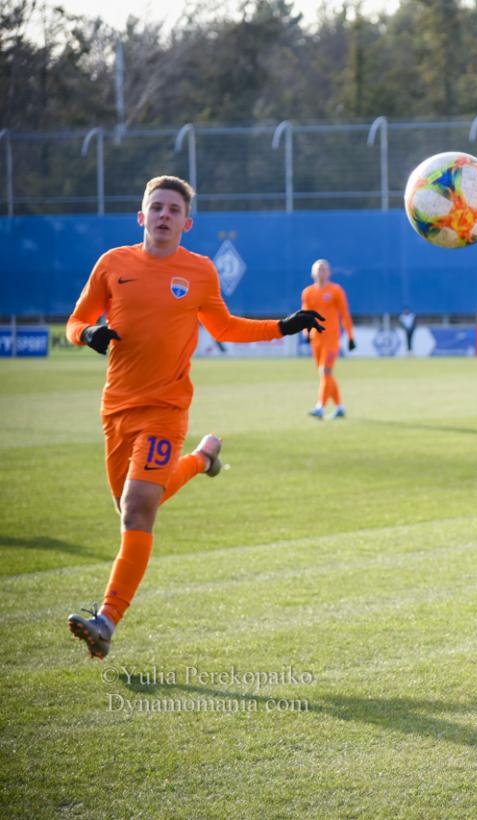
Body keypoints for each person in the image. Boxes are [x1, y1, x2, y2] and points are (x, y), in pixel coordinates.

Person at [65, 175, 324, 659]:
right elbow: (75, 321)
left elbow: (224, 327)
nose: (164, 215)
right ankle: (204, 459)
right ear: (141, 217)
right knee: (132, 506)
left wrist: (283, 326)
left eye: (173, 210)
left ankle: (107, 620)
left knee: (137, 508)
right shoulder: (112, 264)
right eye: (156, 207)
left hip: (166, 409)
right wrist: (88, 335)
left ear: (187, 223)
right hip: (116, 409)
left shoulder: (200, 271)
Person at [301, 259, 356, 419]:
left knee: (325, 371)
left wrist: (350, 336)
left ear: (329, 272)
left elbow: (344, 314)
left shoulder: (336, 290)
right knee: (326, 374)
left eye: (324, 269)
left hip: (331, 338)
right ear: (312, 273)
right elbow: (305, 315)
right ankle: (340, 407)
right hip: (316, 339)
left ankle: (320, 407)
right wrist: (306, 332)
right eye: (318, 269)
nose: (321, 272)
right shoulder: (308, 293)